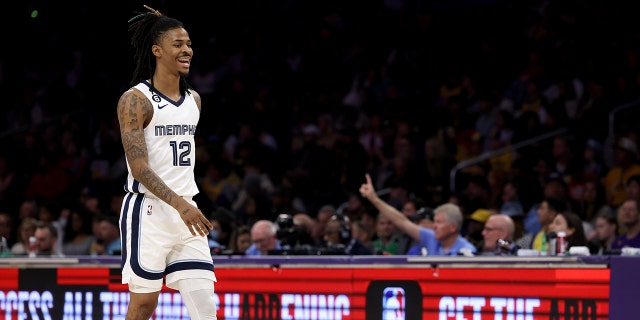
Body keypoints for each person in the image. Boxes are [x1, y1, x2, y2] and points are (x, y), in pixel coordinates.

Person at [117, 6, 216, 320]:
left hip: (187, 212)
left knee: (204, 308)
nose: (187, 50)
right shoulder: (135, 100)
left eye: (188, 44)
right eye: (178, 44)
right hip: (148, 212)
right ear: (157, 50)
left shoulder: (194, 100)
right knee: (144, 306)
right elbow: (139, 167)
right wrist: (179, 204)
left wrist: (185, 205)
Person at [359, 174, 476, 256]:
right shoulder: (431, 238)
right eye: (434, 222)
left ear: (453, 227)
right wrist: (374, 198)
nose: (434, 226)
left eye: (439, 222)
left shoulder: (467, 251)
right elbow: (402, 221)